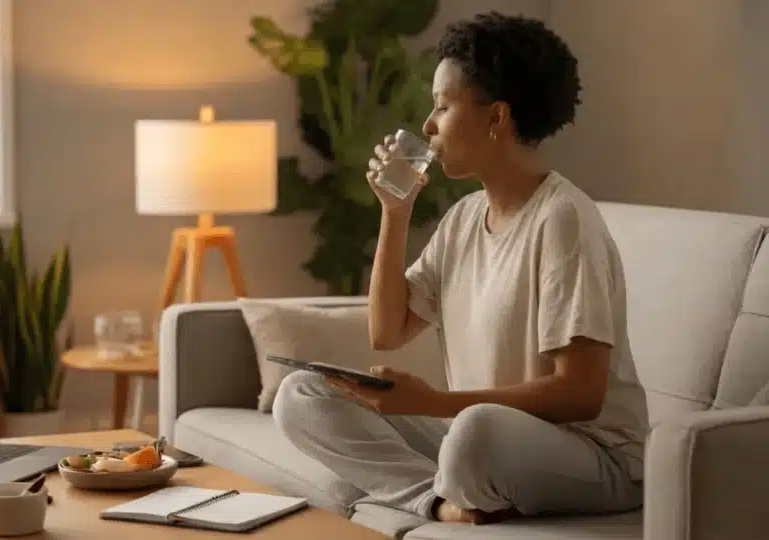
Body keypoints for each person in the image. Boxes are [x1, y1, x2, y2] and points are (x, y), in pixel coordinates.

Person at [272, 11, 648, 525]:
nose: (428, 126)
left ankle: (449, 485)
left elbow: (581, 393)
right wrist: (394, 212)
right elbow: (386, 331)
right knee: (303, 396)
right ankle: (439, 502)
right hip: (482, 435)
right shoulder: (464, 217)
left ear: (497, 118)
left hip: (591, 455)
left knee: (474, 435)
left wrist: (436, 403)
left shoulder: (564, 220)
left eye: (443, 106)